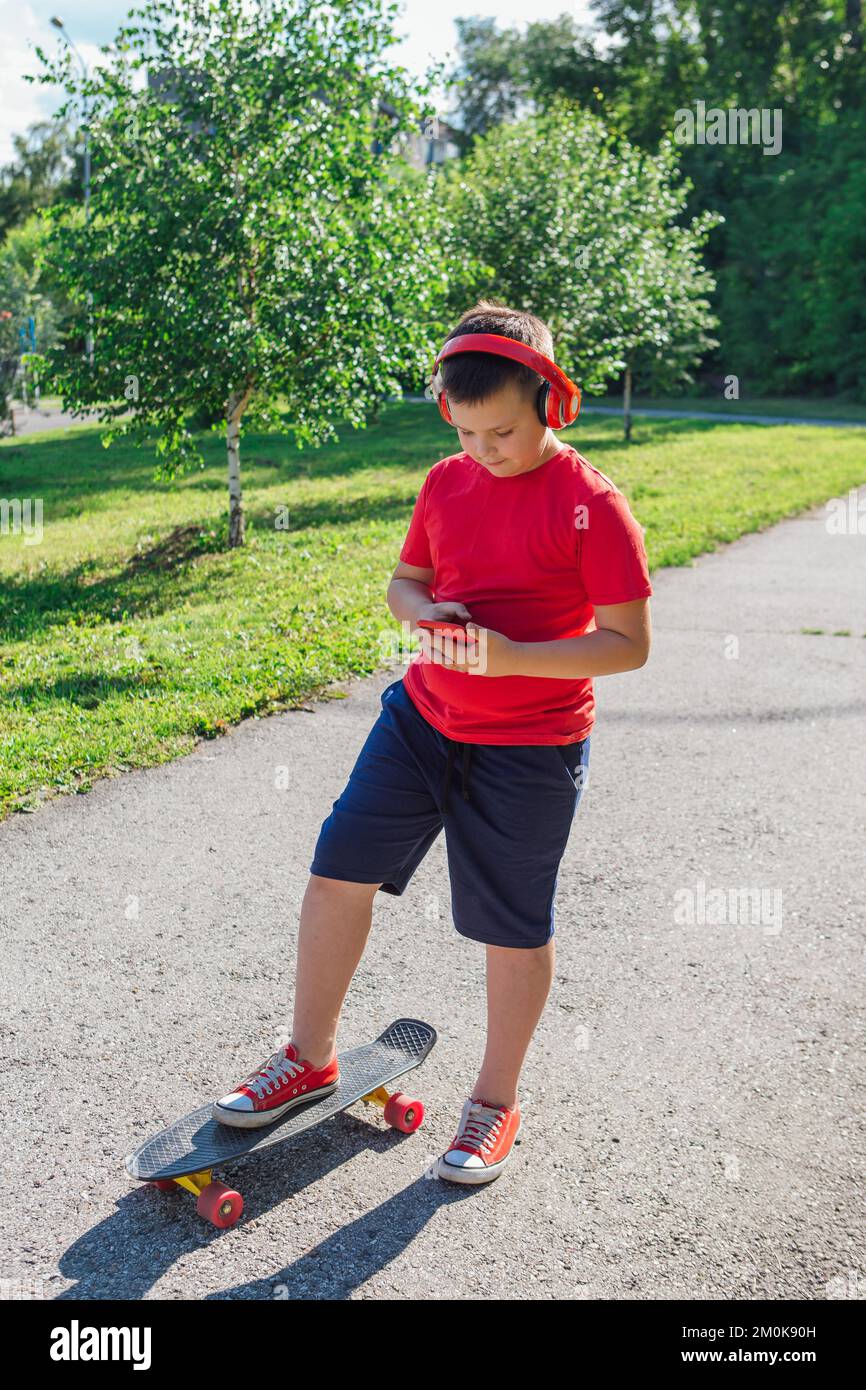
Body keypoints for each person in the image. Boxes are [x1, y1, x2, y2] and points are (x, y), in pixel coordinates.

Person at [213, 300, 653, 1185]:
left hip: (529, 746)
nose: (484, 451)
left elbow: (627, 643)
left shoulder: (593, 506)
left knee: (510, 927)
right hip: (421, 721)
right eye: (466, 431)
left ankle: (494, 1101)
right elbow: (404, 582)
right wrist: (423, 612)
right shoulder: (446, 481)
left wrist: (510, 658)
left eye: (502, 431)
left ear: (549, 402)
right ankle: (310, 1057)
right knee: (338, 872)